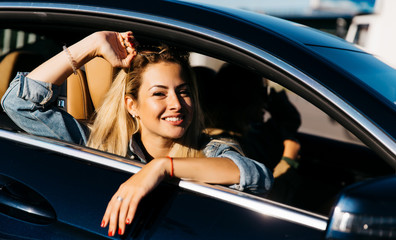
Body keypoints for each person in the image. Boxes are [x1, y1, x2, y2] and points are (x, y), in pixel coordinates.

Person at [1, 31, 273, 237]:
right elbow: (18, 102)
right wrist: (93, 44)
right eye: (159, 94)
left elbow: (255, 175)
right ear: (133, 106)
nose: (177, 104)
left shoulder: (209, 149)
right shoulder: (96, 144)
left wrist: (161, 168)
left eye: (184, 91)